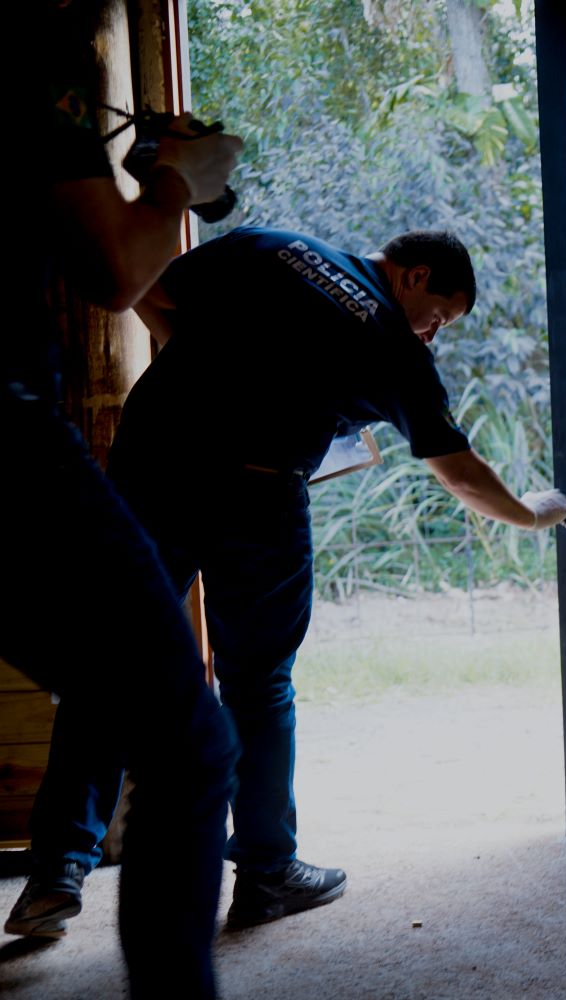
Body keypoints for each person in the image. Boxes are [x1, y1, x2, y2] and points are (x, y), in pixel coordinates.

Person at [18, 224, 566, 933]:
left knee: (111, 662)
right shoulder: (389, 341)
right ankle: (267, 872)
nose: (431, 335)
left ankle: (57, 867)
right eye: (438, 317)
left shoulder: (269, 246)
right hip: (258, 495)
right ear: (414, 274)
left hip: (154, 466)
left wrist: (201, 365)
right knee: (258, 683)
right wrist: (529, 516)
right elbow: (459, 471)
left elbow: (150, 292)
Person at [3, 2, 242, 995]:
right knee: (186, 743)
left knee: (110, 690)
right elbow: (117, 270)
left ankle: (56, 864)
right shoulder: (28, 47)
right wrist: (181, 181)